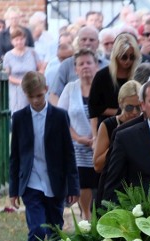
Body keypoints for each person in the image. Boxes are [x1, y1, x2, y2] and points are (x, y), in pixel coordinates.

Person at [9, 71, 79, 241]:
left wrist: (73, 186)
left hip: (55, 181)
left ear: (46, 90)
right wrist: (13, 190)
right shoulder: (19, 118)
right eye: (31, 97)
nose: (36, 100)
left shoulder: (59, 116)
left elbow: (68, 153)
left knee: (55, 230)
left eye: (39, 95)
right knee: (37, 230)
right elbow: (15, 156)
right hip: (31, 182)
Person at [57, 49, 98, 220]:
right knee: (83, 183)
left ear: (96, 65)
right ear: (75, 69)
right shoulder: (70, 88)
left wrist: (97, 138)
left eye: (89, 62)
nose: (85, 66)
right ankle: (86, 217)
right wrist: (77, 137)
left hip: (100, 145)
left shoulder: (101, 86)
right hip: (78, 147)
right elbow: (61, 117)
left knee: (99, 184)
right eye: (81, 64)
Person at [88, 32, 140, 132]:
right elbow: (94, 108)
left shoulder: (138, 74)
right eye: (124, 57)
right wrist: (121, 111)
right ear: (116, 56)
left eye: (132, 57)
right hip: (109, 127)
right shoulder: (102, 76)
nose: (128, 61)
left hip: (136, 125)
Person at [93, 79, 142, 174]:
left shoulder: (147, 123)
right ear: (121, 104)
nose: (134, 112)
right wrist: (119, 142)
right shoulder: (108, 125)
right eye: (129, 107)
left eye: (139, 107)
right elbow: (97, 166)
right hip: (114, 179)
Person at [49, 26, 106, 105]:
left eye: (91, 40)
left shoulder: (107, 66)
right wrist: (61, 114)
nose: (87, 43)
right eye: (84, 39)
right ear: (78, 42)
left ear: (98, 43)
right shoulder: (67, 65)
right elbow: (54, 95)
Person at [4, 25, 44, 113]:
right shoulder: (8, 56)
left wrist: (37, 79)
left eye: (21, 39)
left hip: (32, 88)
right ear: (12, 41)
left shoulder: (32, 52)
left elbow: (41, 68)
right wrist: (21, 82)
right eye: (16, 40)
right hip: (17, 90)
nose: (19, 42)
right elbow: (7, 75)